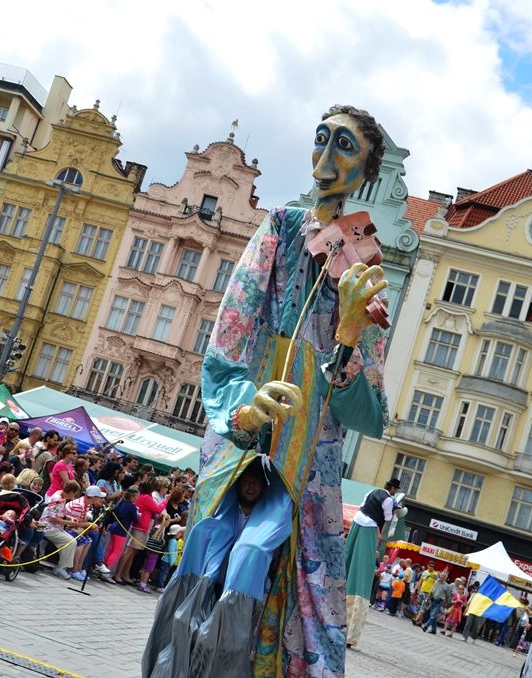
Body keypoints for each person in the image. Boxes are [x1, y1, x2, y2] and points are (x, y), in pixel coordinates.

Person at [144, 106, 391, 678]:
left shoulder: (366, 264)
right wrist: (242, 407)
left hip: (313, 461)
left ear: (366, 169)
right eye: (320, 140)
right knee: (218, 561)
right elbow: (229, 334)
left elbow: (370, 412)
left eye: (345, 147)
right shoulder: (281, 226)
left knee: (295, 592)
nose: (326, 159)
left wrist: (349, 336)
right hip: (243, 438)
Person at [345, 478, 401, 647]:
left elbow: (363, 507)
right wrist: (379, 535)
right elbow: (385, 520)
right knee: (363, 568)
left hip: (357, 522)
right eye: (395, 489)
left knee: (348, 556)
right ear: (392, 488)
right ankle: (351, 627)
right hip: (369, 527)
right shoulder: (389, 500)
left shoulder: (371, 492)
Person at [41, 479, 83, 580]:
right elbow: (53, 518)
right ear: (72, 492)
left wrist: (68, 518)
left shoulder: (62, 496)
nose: (74, 496)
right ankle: (61, 567)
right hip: (48, 527)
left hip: (56, 527)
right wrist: (70, 523)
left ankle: (63, 565)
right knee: (70, 542)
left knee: (73, 540)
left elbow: (60, 513)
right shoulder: (57, 498)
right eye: (74, 493)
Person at [422, 570, 451, 634]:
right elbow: (432, 590)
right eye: (442, 576)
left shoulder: (447, 586)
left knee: (433, 615)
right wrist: (427, 599)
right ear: (440, 576)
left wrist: (447, 604)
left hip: (439, 601)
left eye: (444, 576)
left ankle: (426, 626)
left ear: (446, 578)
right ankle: (433, 630)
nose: (442, 577)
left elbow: (448, 595)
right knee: (433, 616)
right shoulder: (436, 582)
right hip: (433, 599)